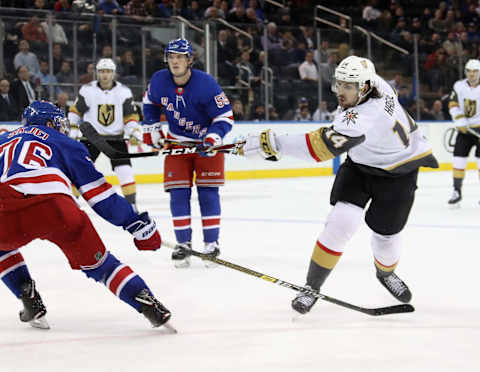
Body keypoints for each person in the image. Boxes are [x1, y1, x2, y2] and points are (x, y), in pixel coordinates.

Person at [239, 56, 438, 314]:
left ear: (364, 88)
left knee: (386, 237)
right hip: (360, 166)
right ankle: (312, 286)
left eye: (348, 87)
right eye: (339, 84)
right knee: (340, 222)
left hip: (399, 171)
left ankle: (385, 272)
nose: (341, 92)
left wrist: (274, 143)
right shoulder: (375, 83)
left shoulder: (365, 115)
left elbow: (320, 148)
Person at [0, 101, 171, 329]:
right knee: (102, 266)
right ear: (51, 123)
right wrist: (138, 226)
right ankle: (146, 302)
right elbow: (99, 195)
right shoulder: (64, 142)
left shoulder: (2, 139)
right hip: (56, 209)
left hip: (4, 210)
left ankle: (27, 295)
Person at [142, 38, 234, 268]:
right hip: (177, 144)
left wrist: (212, 138)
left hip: (207, 145)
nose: (175, 61)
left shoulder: (207, 84)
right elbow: (149, 102)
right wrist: (151, 127)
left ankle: (211, 244)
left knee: (208, 194)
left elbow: (225, 117)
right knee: (178, 194)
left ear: (190, 60)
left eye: (180, 57)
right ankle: (183, 245)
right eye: (171, 57)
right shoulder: (159, 80)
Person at [68, 58, 142, 211]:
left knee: (125, 171)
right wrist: (73, 127)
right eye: (102, 71)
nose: (105, 75)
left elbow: (130, 117)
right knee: (80, 171)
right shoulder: (87, 90)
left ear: (113, 73)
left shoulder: (123, 92)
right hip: (91, 138)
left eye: (108, 71)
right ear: (97, 73)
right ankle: (70, 204)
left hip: (116, 138)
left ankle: (132, 205)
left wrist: (134, 131)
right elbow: (75, 111)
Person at [447, 59, 480, 206]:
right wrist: (459, 119)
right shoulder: (459, 86)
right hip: (464, 130)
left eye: (475, 71)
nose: (472, 74)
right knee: (458, 160)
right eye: (469, 71)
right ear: (465, 72)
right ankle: (457, 191)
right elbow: (453, 103)